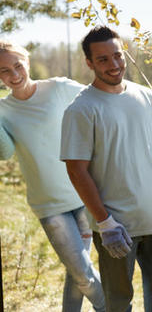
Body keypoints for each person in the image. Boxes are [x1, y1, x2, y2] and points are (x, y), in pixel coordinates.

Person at [60, 26, 152, 311]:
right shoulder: (81, 110)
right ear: (89, 63)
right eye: (102, 59)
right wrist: (104, 222)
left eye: (118, 55)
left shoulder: (145, 96)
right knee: (119, 302)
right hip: (116, 225)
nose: (114, 64)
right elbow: (76, 171)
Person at [0, 42, 105, 312]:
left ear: (27, 62)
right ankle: (115, 307)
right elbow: (6, 152)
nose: (14, 74)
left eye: (17, 65)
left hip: (84, 193)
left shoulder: (58, 88)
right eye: (4, 71)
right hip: (49, 204)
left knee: (77, 272)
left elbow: (98, 99)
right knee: (82, 272)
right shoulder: (3, 110)